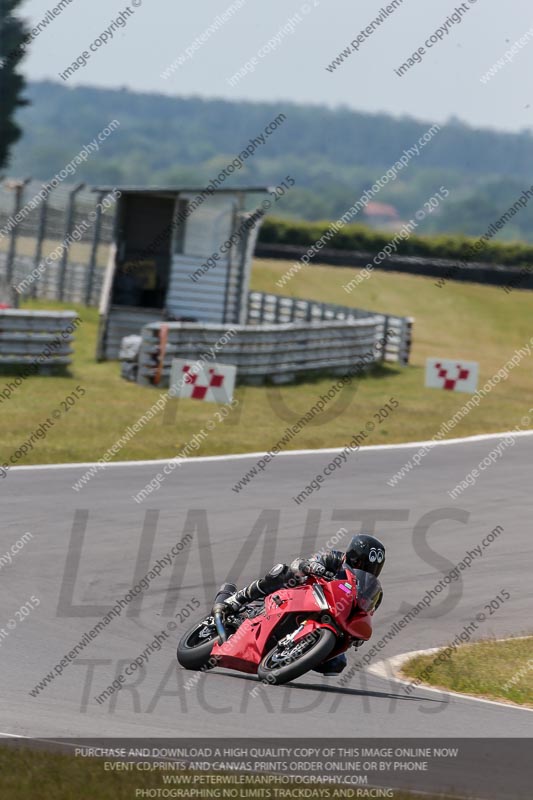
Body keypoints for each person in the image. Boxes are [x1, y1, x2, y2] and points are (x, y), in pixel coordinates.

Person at [212, 533, 385, 676]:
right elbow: (300, 563)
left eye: (372, 567)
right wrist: (312, 566)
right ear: (353, 556)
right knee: (282, 572)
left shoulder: (374, 591)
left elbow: (365, 615)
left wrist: (357, 636)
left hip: (334, 619)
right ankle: (238, 599)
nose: (366, 568)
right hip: (303, 595)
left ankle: (294, 653)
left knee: (336, 665)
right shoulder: (335, 559)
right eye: (362, 562)